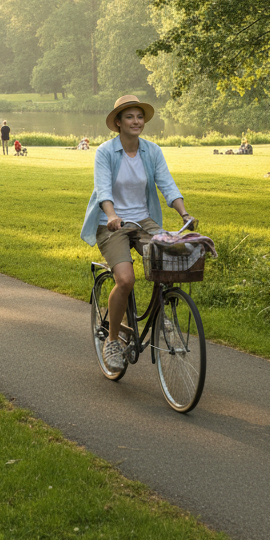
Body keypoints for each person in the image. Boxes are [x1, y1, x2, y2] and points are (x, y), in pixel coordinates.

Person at [81, 94, 192, 371]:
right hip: (112, 223)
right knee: (126, 279)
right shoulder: (105, 152)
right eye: (129, 117)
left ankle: (164, 313)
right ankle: (113, 340)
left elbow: (168, 184)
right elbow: (103, 189)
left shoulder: (152, 151)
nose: (136, 121)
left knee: (170, 258)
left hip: (144, 220)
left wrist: (184, 213)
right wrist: (111, 215)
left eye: (139, 116)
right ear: (118, 122)